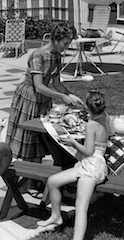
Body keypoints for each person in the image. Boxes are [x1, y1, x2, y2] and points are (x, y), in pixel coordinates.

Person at [37, 91, 110, 240]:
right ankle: (56, 216)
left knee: (81, 206)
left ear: (88, 108)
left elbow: (88, 150)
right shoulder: (106, 118)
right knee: (53, 181)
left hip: (92, 167)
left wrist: (73, 142)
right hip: (91, 163)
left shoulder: (91, 125)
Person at [5, 22, 84, 162]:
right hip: (29, 98)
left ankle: (36, 175)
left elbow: (57, 83)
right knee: (27, 136)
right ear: (55, 40)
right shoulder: (38, 55)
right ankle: (26, 174)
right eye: (65, 43)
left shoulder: (56, 56)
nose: (66, 48)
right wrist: (61, 97)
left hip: (43, 99)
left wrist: (69, 95)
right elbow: (39, 86)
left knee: (39, 140)